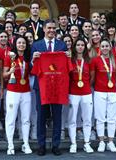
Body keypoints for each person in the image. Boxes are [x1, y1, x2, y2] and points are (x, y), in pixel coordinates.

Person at [31, 19, 67, 156]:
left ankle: (56, 145)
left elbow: (64, 66)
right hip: (41, 86)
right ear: (44, 29)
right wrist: (33, 60)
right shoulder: (36, 45)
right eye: (49, 28)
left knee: (57, 116)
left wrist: (68, 57)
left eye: (54, 28)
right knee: (41, 116)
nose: (52, 30)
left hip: (57, 86)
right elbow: (31, 67)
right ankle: (41, 145)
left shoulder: (62, 45)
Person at [3, 36, 32, 155]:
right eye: (19, 43)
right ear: (15, 44)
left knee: (25, 119)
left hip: (26, 91)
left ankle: (25, 143)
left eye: (23, 43)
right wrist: (10, 72)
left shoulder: (28, 57)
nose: (21, 45)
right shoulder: (10, 57)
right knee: (11, 118)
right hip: (13, 91)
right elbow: (4, 74)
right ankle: (10, 144)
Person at [90, 38, 116, 152]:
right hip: (99, 91)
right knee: (100, 118)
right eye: (102, 46)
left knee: (112, 118)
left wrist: (110, 84)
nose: (105, 48)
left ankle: (110, 142)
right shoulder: (95, 60)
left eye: (107, 46)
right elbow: (92, 77)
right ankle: (102, 141)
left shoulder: (115, 60)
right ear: (100, 48)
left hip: (112, 92)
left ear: (110, 47)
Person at [68, 38, 94, 153]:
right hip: (73, 93)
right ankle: (73, 143)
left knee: (87, 119)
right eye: (78, 45)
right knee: (72, 119)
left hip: (87, 93)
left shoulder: (89, 61)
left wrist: (86, 85)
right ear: (74, 47)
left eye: (82, 45)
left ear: (85, 47)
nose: (80, 47)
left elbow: (92, 77)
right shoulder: (70, 61)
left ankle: (87, 142)